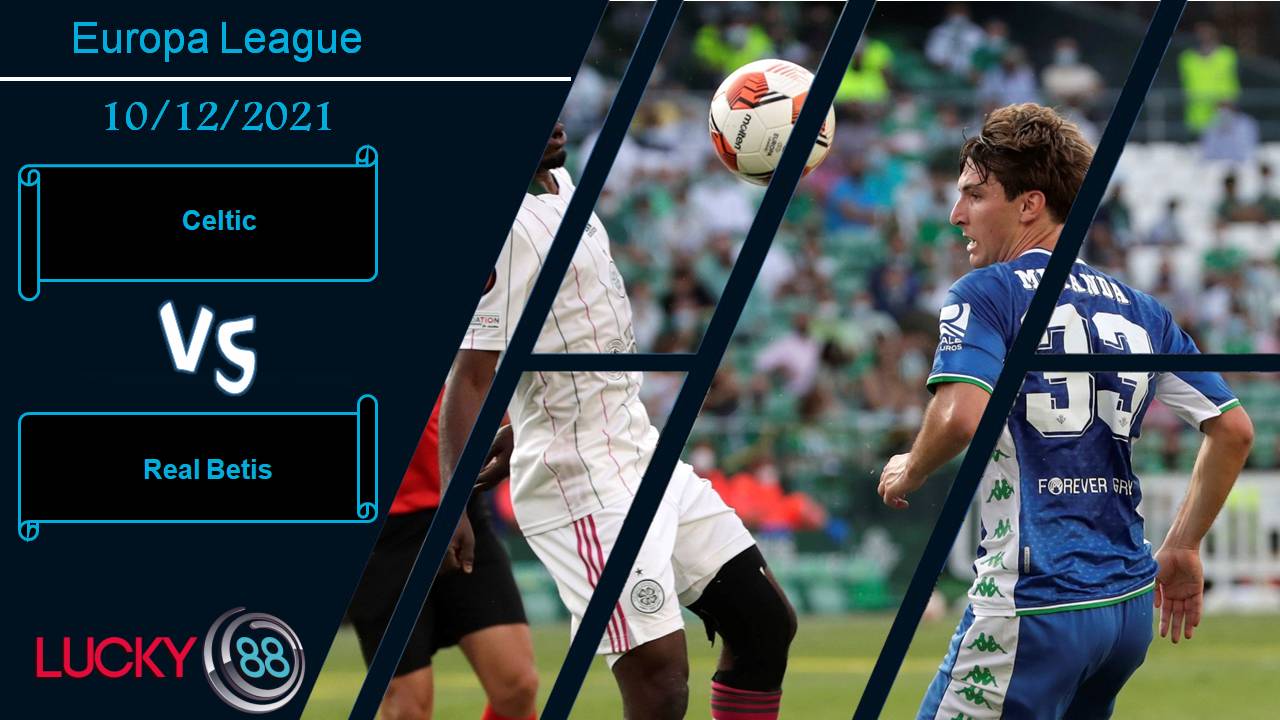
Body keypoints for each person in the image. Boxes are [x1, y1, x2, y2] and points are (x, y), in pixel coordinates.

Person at [876, 104, 1255, 719]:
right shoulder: (1142, 310)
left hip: (1035, 600)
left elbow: (961, 417)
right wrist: (1184, 545)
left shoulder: (987, 292)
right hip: (1124, 609)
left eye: (974, 194)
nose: (956, 214)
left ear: (1029, 205)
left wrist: (909, 469)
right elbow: (1233, 429)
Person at [441, 122, 797, 720]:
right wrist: (452, 501)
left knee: (764, 623)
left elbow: (563, 335)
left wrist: (527, 421)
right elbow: (470, 374)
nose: (557, 123)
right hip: (581, 480)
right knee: (659, 681)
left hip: (638, 449)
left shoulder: (563, 188)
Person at [347, 389, 538, 720]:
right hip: (381, 537)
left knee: (517, 685)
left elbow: (474, 378)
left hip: (459, 510)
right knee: (408, 710)